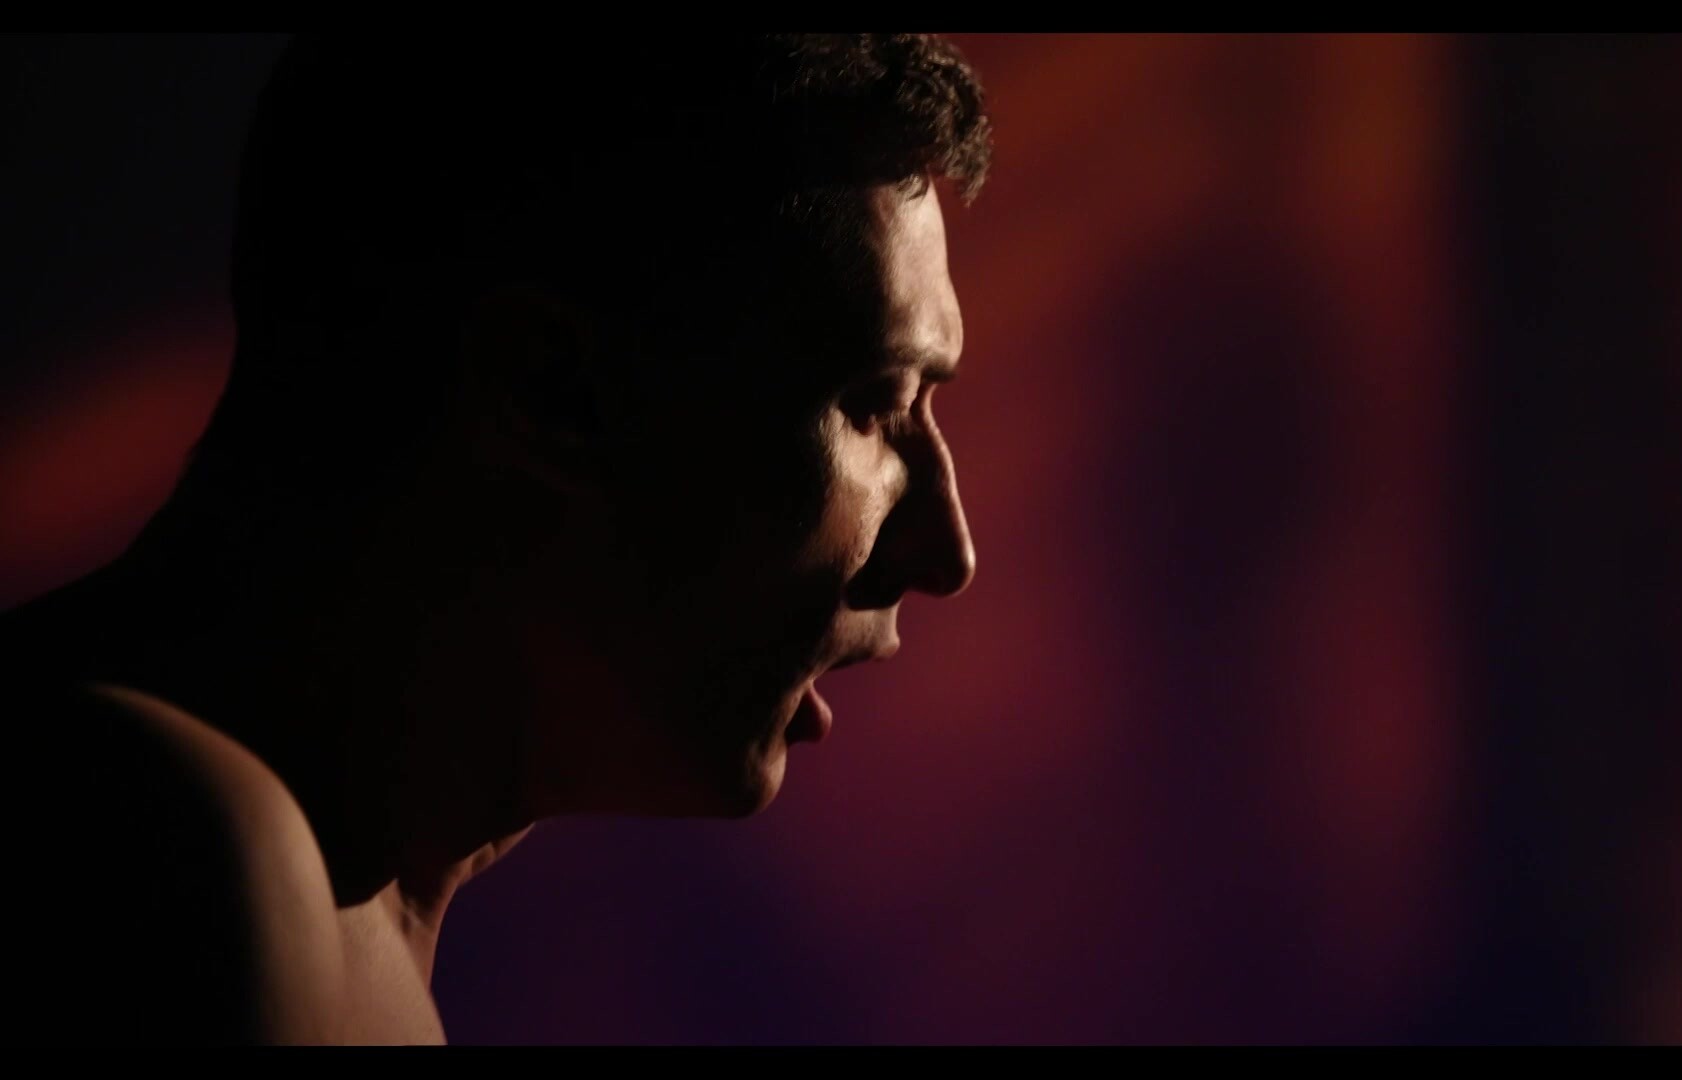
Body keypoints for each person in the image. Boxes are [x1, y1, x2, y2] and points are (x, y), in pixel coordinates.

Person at [0, 33, 987, 1044]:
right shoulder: (141, 843)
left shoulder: (306, 880)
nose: (945, 551)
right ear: (551, 390)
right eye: (875, 405)